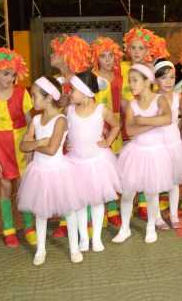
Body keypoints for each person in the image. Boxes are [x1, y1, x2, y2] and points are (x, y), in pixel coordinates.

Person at [18, 76, 82, 265]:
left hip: (58, 170)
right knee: (41, 212)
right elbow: (23, 145)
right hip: (39, 171)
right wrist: (39, 142)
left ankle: (74, 248)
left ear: (48, 98)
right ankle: (41, 249)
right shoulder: (36, 119)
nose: (32, 99)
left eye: (34, 96)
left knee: (68, 211)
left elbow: (52, 149)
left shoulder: (60, 120)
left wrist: (34, 145)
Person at [0, 48, 36, 248]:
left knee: (23, 187)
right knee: (6, 187)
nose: (10, 79)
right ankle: (9, 228)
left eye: (13, 74)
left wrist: (30, 148)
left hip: (21, 146)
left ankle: (29, 226)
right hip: (0, 149)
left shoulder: (21, 93)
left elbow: (30, 122)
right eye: (5, 74)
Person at [112, 64, 173, 244]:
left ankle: (151, 227)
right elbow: (130, 131)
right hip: (135, 153)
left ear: (147, 82)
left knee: (152, 193)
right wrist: (153, 123)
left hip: (155, 153)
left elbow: (167, 118)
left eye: (134, 80)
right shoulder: (132, 104)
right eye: (130, 81)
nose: (131, 84)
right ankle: (124, 228)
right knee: (127, 193)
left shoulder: (159, 99)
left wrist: (143, 120)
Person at [65, 70, 122, 253]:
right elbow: (66, 131)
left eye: (73, 90)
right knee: (80, 202)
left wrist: (108, 141)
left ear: (85, 92)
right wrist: (66, 142)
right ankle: (83, 237)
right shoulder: (69, 110)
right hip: (75, 163)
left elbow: (116, 125)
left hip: (97, 162)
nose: (70, 93)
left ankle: (96, 237)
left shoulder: (101, 110)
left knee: (97, 202)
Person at [48, 34, 92, 238]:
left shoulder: (82, 83)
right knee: (66, 181)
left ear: (67, 56)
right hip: (61, 137)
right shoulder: (55, 82)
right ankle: (67, 220)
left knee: (84, 179)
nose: (51, 55)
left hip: (79, 137)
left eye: (55, 52)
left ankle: (88, 219)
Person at [90, 37, 125, 226]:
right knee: (100, 170)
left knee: (114, 169)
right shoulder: (92, 77)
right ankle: (101, 210)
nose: (108, 60)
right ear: (96, 58)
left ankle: (112, 209)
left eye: (110, 55)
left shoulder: (120, 76)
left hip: (117, 124)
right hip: (100, 125)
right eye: (103, 56)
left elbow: (125, 101)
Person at [154, 60, 182, 228]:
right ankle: (157, 217)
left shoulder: (178, 97)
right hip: (157, 143)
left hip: (174, 141)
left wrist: (181, 138)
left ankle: (174, 214)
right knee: (156, 180)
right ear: (155, 80)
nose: (168, 82)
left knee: (174, 180)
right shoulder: (152, 98)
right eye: (163, 78)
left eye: (172, 77)